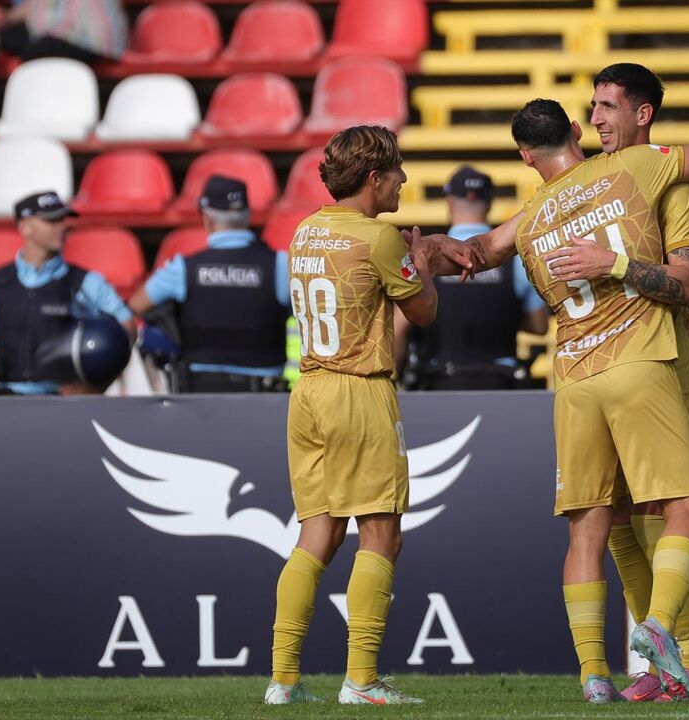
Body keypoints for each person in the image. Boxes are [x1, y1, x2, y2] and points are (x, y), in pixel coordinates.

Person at [421, 100, 689, 702]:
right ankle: (660, 631)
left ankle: (595, 676)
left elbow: (479, 252)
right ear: (575, 132)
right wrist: (668, 164)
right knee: (683, 508)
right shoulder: (634, 168)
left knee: (591, 530)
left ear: (524, 156)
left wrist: (436, 246)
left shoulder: (533, 213)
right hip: (638, 361)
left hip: (572, 380)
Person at [264, 126, 447, 706]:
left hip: (308, 391)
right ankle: (361, 682)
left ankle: (283, 683)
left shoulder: (304, 232)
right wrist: (422, 258)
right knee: (382, 533)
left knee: (315, 534)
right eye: (397, 172)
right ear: (374, 179)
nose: (404, 181)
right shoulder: (379, 238)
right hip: (358, 391)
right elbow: (422, 313)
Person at [589, 63, 689, 702]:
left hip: (665, 363)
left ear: (643, 115)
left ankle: (677, 650)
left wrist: (614, 265)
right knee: (616, 511)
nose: (596, 120)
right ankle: (675, 665)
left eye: (609, 107)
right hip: (602, 368)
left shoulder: (673, 186)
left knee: (669, 504)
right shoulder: (592, 187)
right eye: (592, 107)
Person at [0, 190, 135, 396]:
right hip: (6, 400)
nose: (61, 227)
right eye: (50, 221)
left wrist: (96, 388)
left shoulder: (85, 282)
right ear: (24, 227)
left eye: (62, 220)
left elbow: (127, 329)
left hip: (62, 405)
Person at [128, 175, 292, 393]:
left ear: (206, 217)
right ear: (247, 214)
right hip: (265, 399)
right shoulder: (281, 265)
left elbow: (135, 307)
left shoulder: (183, 269)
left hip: (201, 399)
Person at [399, 166, 548, 389]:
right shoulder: (517, 260)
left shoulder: (423, 258)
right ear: (489, 203)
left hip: (439, 382)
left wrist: (397, 377)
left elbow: (399, 327)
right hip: (501, 382)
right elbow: (539, 326)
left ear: (449, 202)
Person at [0, 0, 128, 63]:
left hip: (93, 44)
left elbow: (61, 25)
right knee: (12, 39)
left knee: (33, 48)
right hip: (76, 39)